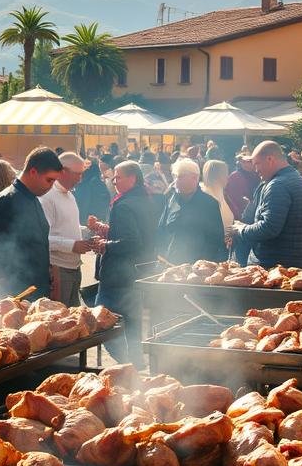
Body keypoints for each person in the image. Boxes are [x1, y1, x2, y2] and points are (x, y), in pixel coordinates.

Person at [89, 161, 158, 367]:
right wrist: (104, 229)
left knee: (101, 325)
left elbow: (131, 242)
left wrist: (105, 245)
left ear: (132, 179)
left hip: (117, 277)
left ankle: (127, 366)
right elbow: (138, 235)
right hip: (138, 274)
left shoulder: (123, 205)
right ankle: (137, 367)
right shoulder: (145, 200)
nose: (114, 181)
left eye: (118, 177)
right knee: (134, 326)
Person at [0, 147, 61, 301]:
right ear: (33, 172)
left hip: (36, 290)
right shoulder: (7, 200)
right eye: (49, 180)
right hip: (17, 294)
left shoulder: (32, 198)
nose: (51, 186)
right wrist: (5, 280)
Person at [232, 141, 302, 268]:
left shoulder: (277, 185)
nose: (255, 170)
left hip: (274, 269)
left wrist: (241, 229)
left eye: (257, 164)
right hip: (300, 264)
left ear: (270, 159)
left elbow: (269, 228)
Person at [39, 152, 95, 306]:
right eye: (77, 174)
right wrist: (72, 245)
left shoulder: (69, 195)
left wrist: (88, 230)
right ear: (63, 171)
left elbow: (67, 227)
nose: (80, 179)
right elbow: (42, 238)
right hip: (58, 269)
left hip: (74, 267)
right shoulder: (47, 197)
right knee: (60, 317)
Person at [156, 158, 227, 264]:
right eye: (174, 176)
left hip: (197, 266)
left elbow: (216, 238)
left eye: (179, 177)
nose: (175, 181)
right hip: (171, 263)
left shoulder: (209, 203)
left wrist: (204, 264)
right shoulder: (171, 200)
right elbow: (161, 229)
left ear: (194, 178)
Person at [201, 159, 236, 238]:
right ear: (218, 176)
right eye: (225, 173)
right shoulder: (207, 198)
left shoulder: (221, 194)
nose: (228, 177)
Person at [224, 153, 257, 221]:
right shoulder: (235, 177)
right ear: (241, 163)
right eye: (249, 161)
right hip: (243, 215)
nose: (253, 163)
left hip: (256, 211)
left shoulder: (257, 174)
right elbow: (233, 199)